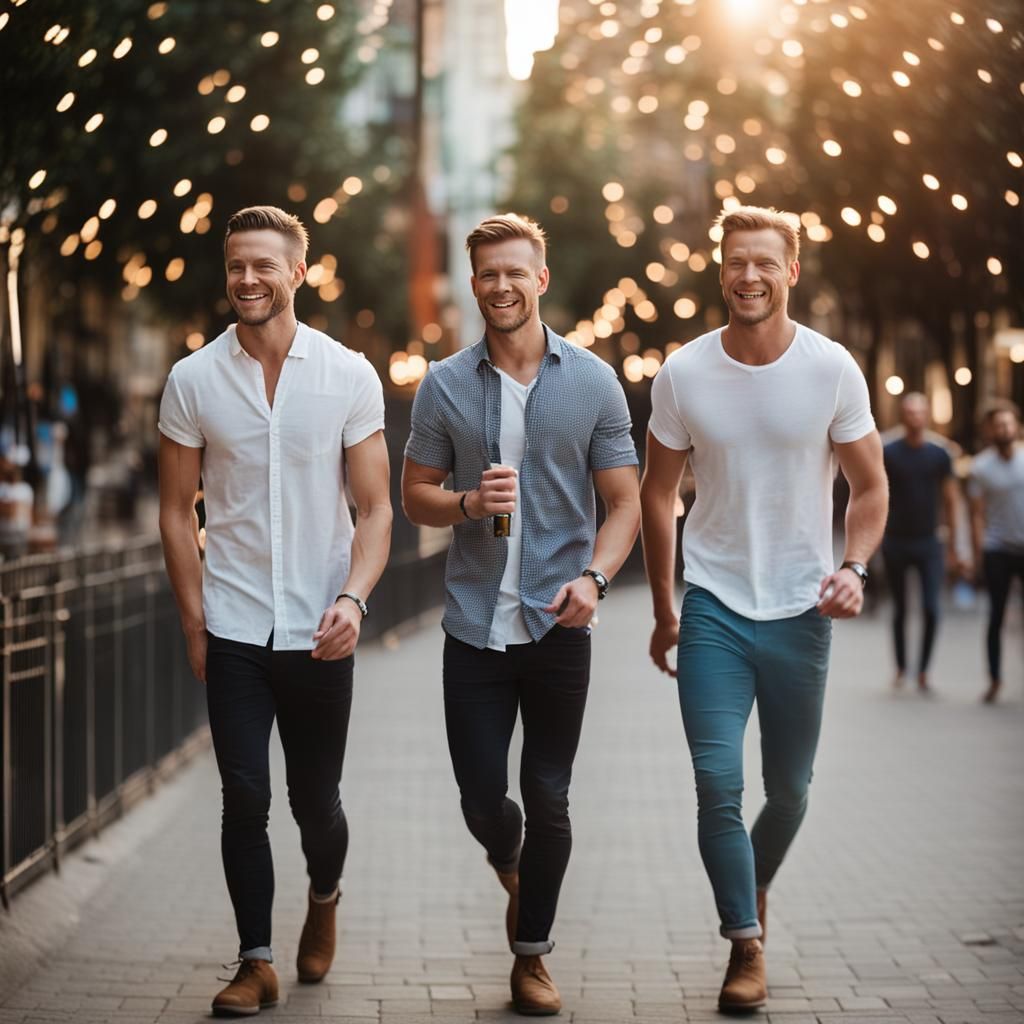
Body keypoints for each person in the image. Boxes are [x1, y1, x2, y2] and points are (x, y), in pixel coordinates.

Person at [640, 206, 887, 1012]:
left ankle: (752, 885)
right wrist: (667, 609)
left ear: (792, 272)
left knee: (790, 792)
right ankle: (745, 943)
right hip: (714, 603)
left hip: (801, 608)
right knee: (717, 784)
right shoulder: (683, 374)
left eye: (765, 263)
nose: (749, 276)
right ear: (722, 272)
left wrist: (854, 567)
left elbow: (870, 486)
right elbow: (656, 494)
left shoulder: (831, 369)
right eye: (736, 262)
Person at [402, 213, 640, 1016]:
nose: (501, 286)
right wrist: (468, 503)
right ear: (474, 284)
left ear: (540, 279)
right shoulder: (444, 385)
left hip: (558, 625)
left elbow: (624, 504)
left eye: (515, 272)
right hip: (473, 627)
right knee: (482, 800)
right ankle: (512, 864)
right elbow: (415, 497)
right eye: (487, 275)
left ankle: (531, 956)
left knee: (549, 795)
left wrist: (595, 581)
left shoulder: (593, 382)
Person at [158, 205, 392, 1017]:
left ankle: (324, 895)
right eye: (236, 266)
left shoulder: (347, 374)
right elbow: (175, 512)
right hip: (233, 623)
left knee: (314, 803)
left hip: (322, 627)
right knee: (244, 796)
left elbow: (376, 509)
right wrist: (195, 623)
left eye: (264, 264)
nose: (248, 279)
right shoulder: (193, 380)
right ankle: (254, 961)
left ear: (298, 271)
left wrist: (354, 598)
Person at [882, 392, 965, 692]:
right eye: (910, 412)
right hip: (895, 540)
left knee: (931, 608)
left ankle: (924, 671)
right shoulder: (889, 451)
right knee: (900, 608)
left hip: (929, 541)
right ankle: (901, 667)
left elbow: (951, 499)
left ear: (927, 416)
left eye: (919, 412)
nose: (915, 417)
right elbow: (876, 494)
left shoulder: (940, 453)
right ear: (903, 416)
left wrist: (954, 546)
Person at [968, 400, 1024, 703]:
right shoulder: (980, 467)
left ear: (1016, 426)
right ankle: (994, 678)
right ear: (989, 431)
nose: (1003, 429)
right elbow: (977, 514)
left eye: (1007, 424)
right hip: (997, 548)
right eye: (998, 425)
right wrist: (979, 554)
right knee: (996, 616)